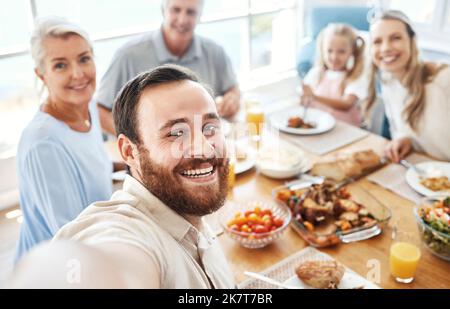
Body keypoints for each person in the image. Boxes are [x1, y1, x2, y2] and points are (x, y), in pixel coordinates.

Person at [15, 64, 234, 288]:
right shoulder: (126, 233)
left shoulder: (189, 211)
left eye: (209, 128)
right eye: (176, 133)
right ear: (130, 151)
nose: (205, 148)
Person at [15, 17, 117, 262]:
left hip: (99, 242)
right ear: (42, 75)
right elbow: (71, 240)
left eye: (84, 59)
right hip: (55, 271)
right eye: (60, 65)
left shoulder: (87, 107)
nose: (78, 74)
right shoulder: (43, 144)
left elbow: (88, 167)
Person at [96, 0, 240, 135]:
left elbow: (232, 89)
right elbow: (100, 111)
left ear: (200, 16)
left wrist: (232, 99)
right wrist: (139, 142)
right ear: (163, 11)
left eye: (191, 12)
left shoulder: (215, 52)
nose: (182, 20)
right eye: (176, 10)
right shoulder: (128, 55)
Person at [366, 10, 450, 162]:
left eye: (396, 38)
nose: (385, 48)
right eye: (377, 41)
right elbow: (403, 130)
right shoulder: (388, 81)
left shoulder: (443, 79)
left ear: (412, 41)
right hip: (425, 172)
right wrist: (406, 140)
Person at [301, 23, 368, 127]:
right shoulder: (317, 73)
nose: (334, 57)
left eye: (341, 52)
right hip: (319, 127)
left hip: (346, 131)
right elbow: (304, 98)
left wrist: (314, 97)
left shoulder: (355, 76)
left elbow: (346, 105)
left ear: (352, 52)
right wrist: (305, 98)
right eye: (329, 51)